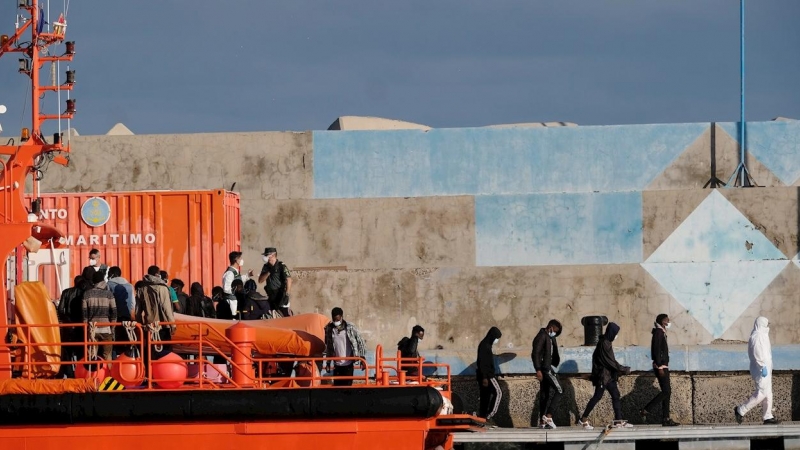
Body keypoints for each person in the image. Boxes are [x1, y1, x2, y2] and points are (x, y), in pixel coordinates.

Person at [578, 322, 633, 430]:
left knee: (616, 395)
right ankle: (583, 419)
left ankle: (618, 420)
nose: (616, 336)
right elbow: (610, 362)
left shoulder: (606, 342)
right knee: (597, 396)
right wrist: (624, 369)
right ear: (612, 332)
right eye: (616, 333)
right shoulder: (604, 344)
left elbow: (610, 362)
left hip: (609, 376)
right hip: (603, 376)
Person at [735, 316, 779, 425]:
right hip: (761, 369)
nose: (767, 326)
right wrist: (762, 366)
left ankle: (767, 416)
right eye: (766, 324)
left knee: (768, 393)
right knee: (762, 392)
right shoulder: (757, 336)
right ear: (761, 324)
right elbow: (757, 353)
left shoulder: (763, 335)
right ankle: (741, 410)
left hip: (766, 368)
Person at [641, 314, 679, 426]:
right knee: (666, 391)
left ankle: (666, 418)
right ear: (662, 321)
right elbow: (657, 350)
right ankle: (646, 410)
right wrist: (659, 365)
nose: (669, 321)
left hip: (664, 365)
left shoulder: (661, 332)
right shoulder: (658, 332)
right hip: (661, 366)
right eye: (667, 319)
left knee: (667, 392)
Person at [135, 265, 177, 359]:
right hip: (163, 325)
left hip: (149, 326)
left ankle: (150, 372)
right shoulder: (163, 288)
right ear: (157, 274)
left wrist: (140, 325)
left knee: (151, 352)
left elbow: (138, 311)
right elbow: (167, 309)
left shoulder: (141, 289)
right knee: (166, 352)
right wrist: (173, 325)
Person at [323, 307, 367, 386]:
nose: (336, 322)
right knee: (337, 388)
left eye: (338, 319)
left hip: (348, 364)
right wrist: (328, 363)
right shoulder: (329, 329)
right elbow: (329, 347)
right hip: (337, 364)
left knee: (347, 388)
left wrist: (362, 358)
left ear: (341, 317)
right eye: (334, 320)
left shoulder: (350, 327)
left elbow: (361, 342)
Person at [532, 319, 562, 429]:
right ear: (550, 327)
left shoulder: (549, 337)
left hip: (547, 367)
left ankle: (542, 421)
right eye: (555, 331)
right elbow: (535, 353)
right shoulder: (541, 336)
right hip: (545, 369)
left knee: (545, 395)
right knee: (559, 390)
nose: (555, 333)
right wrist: (538, 369)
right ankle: (549, 416)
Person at [81, 269, 117, 361]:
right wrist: (112, 327)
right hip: (106, 328)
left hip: (92, 328)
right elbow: (114, 312)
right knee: (107, 355)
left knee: (92, 356)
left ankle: (92, 374)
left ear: (93, 281)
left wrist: (86, 329)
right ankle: (108, 374)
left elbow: (84, 314)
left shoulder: (87, 294)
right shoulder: (109, 294)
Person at [56, 276, 88, 377]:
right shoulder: (83, 293)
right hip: (80, 326)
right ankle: (80, 373)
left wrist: (66, 320)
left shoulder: (66, 292)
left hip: (68, 326)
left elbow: (60, 310)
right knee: (80, 352)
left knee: (67, 352)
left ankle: (70, 375)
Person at [476, 326, 503, 425]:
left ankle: (482, 418)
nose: (496, 340)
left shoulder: (486, 344)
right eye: (496, 338)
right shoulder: (485, 345)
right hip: (488, 376)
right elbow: (483, 362)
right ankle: (489, 416)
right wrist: (485, 377)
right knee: (499, 393)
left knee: (485, 397)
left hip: (485, 375)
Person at [107, 266, 135, 354]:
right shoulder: (130, 286)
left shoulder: (109, 284)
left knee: (115, 339)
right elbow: (132, 303)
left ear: (112, 274)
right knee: (127, 337)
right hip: (127, 315)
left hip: (113, 316)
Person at [258, 247, 293, 317]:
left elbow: (289, 279)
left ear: (273, 255)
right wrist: (268, 272)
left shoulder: (281, 266)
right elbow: (260, 280)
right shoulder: (266, 266)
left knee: (284, 315)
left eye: (266, 255)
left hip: (281, 295)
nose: (265, 257)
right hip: (271, 295)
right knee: (273, 316)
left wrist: (287, 294)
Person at [222, 251, 253, 316]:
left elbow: (239, 280)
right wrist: (236, 290)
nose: (242, 260)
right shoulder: (230, 273)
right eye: (240, 258)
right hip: (232, 302)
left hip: (237, 301)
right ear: (236, 260)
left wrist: (248, 275)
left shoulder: (235, 272)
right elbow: (226, 288)